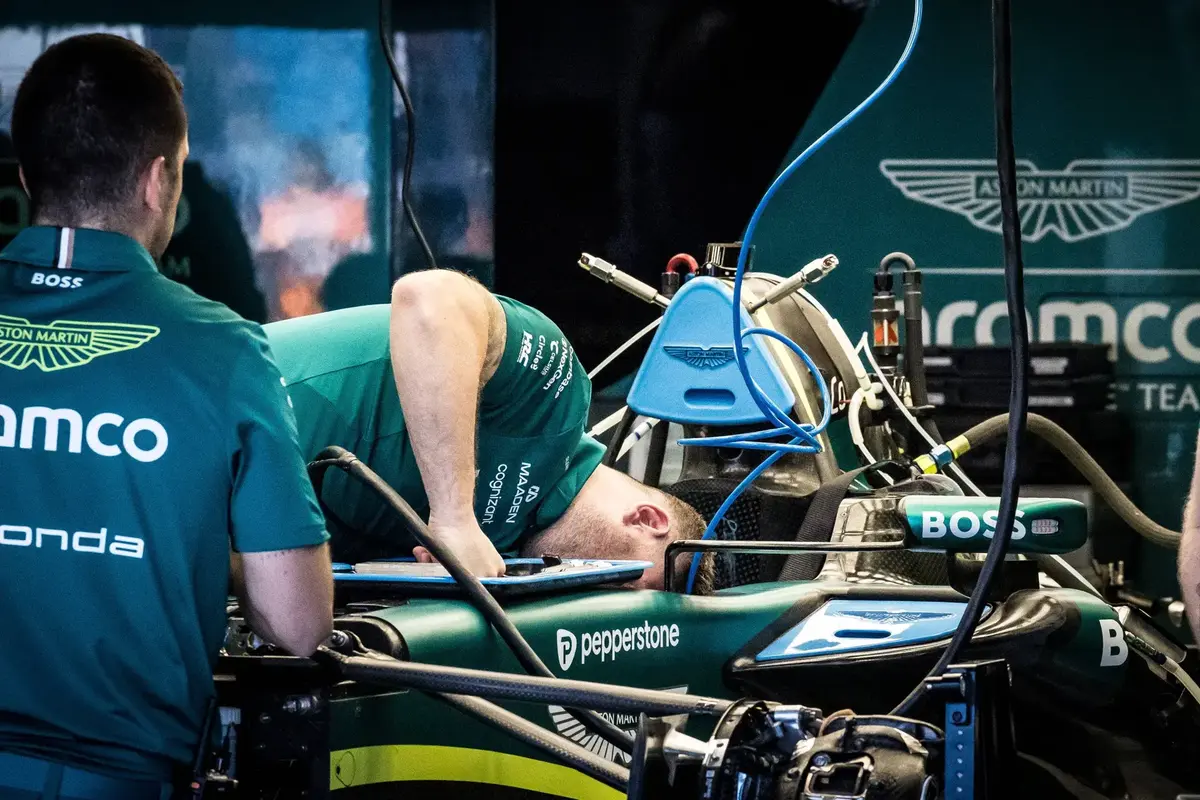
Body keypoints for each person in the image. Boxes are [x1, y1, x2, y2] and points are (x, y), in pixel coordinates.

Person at [0, 34, 333, 797]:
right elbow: (298, 624)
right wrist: (193, 547)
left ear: (26, 177)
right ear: (158, 180)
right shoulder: (223, 349)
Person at [265, 268, 714, 592]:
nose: (602, 596)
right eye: (627, 585)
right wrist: (454, 518)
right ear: (647, 520)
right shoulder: (554, 398)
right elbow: (429, 298)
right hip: (233, 402)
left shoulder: (502, 555)